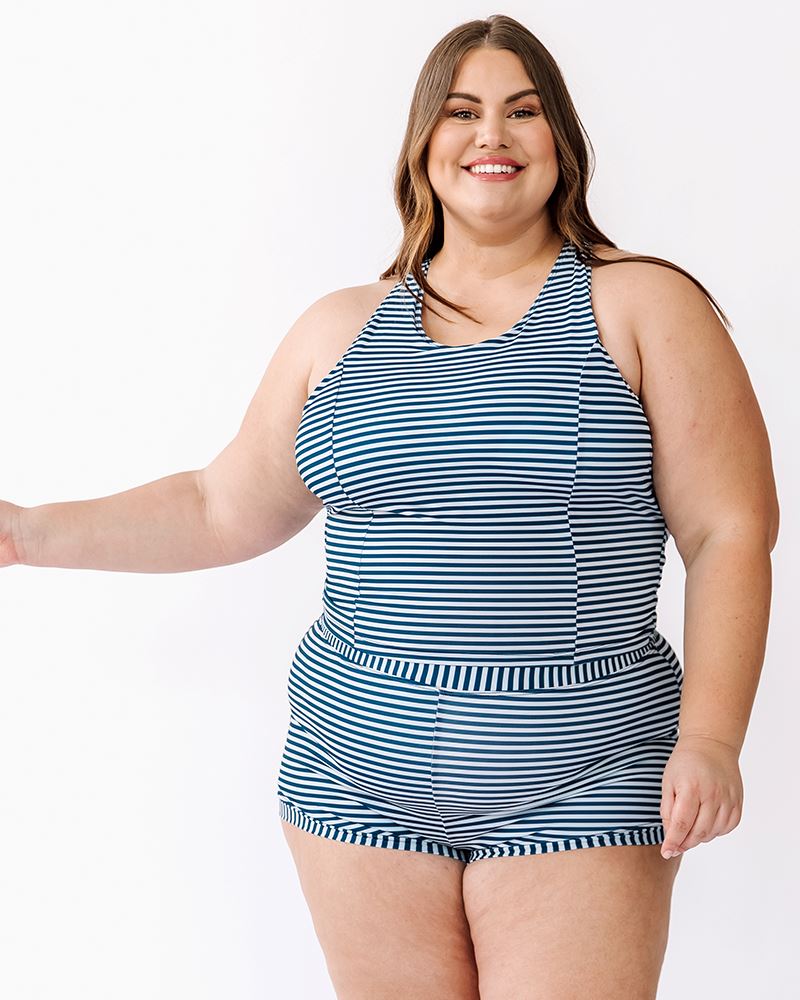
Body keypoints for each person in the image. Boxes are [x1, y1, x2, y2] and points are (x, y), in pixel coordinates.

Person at [0, 13, 779, 1000]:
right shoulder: (338, 331)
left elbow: (728, 529)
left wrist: (710, 737)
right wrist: (24, 530)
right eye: (460, 112)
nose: (489, 136)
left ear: (561, 144)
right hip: (349, 775)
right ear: (420, 146)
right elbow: (219, 504)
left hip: (582, 772)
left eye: (521, 112)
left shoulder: (641, 305)